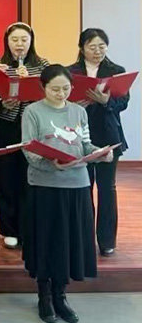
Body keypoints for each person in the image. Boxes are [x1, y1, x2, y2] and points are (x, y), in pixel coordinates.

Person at [22, 64, 113, 323]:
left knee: (68, 242)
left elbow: (84, 144)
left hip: (76, 185)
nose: (61, 93)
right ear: (43, 87)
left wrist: (100, 153)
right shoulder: (32, 111)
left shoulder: (78, 112)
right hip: (44, 186)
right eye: (55, 89)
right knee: (46, 240)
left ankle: (60, 295)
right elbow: (28, 149)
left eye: (65, 88)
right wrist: (49, 163)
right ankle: (44, 295)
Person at [0, 22, 49, 249]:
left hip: (34, 128)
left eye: (24, 39)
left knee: (29, 177)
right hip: (6, 127)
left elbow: (51, 95)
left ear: (31, 41)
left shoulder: (42, 66)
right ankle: (9, 229)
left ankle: (29, 227)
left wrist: (29, 82)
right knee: (5, 179)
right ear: (7, 42)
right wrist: (3, 104)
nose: (19, 44)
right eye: (14, 40)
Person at [68, 28, 129, 257]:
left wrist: (106, 101)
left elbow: (123, 103)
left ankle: (106, 240)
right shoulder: (71, 72)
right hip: (79, 135)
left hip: (108, 134)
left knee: (107, 189)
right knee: (84, 188)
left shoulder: (116, 71)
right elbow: (61, 100)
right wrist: (74, 105)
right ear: (82, 48)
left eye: (101, 46)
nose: (97, 51)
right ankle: (83, 238)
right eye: (92, 46)